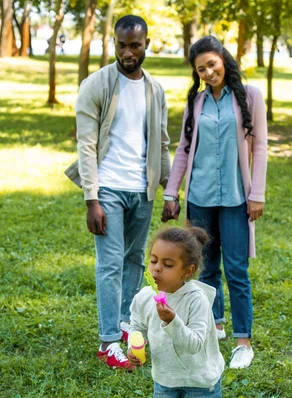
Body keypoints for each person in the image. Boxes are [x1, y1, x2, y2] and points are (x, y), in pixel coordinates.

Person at [65, 15, 171, 369]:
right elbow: (86, 145)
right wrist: (91, 199)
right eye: (122, 45)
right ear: (113, 44)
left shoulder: (155, 89)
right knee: (110, 264)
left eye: (135, 45)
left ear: (146, 45)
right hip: (107, 187)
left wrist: (168, 189)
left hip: (141, 189)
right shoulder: (95, 85)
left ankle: (126, 326)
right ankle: (108, 341)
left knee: (134, 259)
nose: (128, 52)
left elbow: (162, 142)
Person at [162, 36, 268, 370]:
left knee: (237, 269)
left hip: (238, 198)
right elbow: (183, 149)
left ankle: (243, 342)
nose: (208, 72)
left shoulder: (250, 96)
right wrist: (171, 193)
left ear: (223, 58)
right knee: (205, 268)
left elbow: (261, 147)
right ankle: (214, 324)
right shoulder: (196, 102)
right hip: (200, 198)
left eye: (212, 64)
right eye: (201, 69)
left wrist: (257, 194)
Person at [127, 227, 224, 398]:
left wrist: (171, 321)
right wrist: (135, 344)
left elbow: (194, 343)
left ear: (187, 271)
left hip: (200, 377)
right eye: (154, 260)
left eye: (168, 265)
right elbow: (136, 324)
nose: (157, 269)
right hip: (166, 375)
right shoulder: (145, 297)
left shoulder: (196, 300)